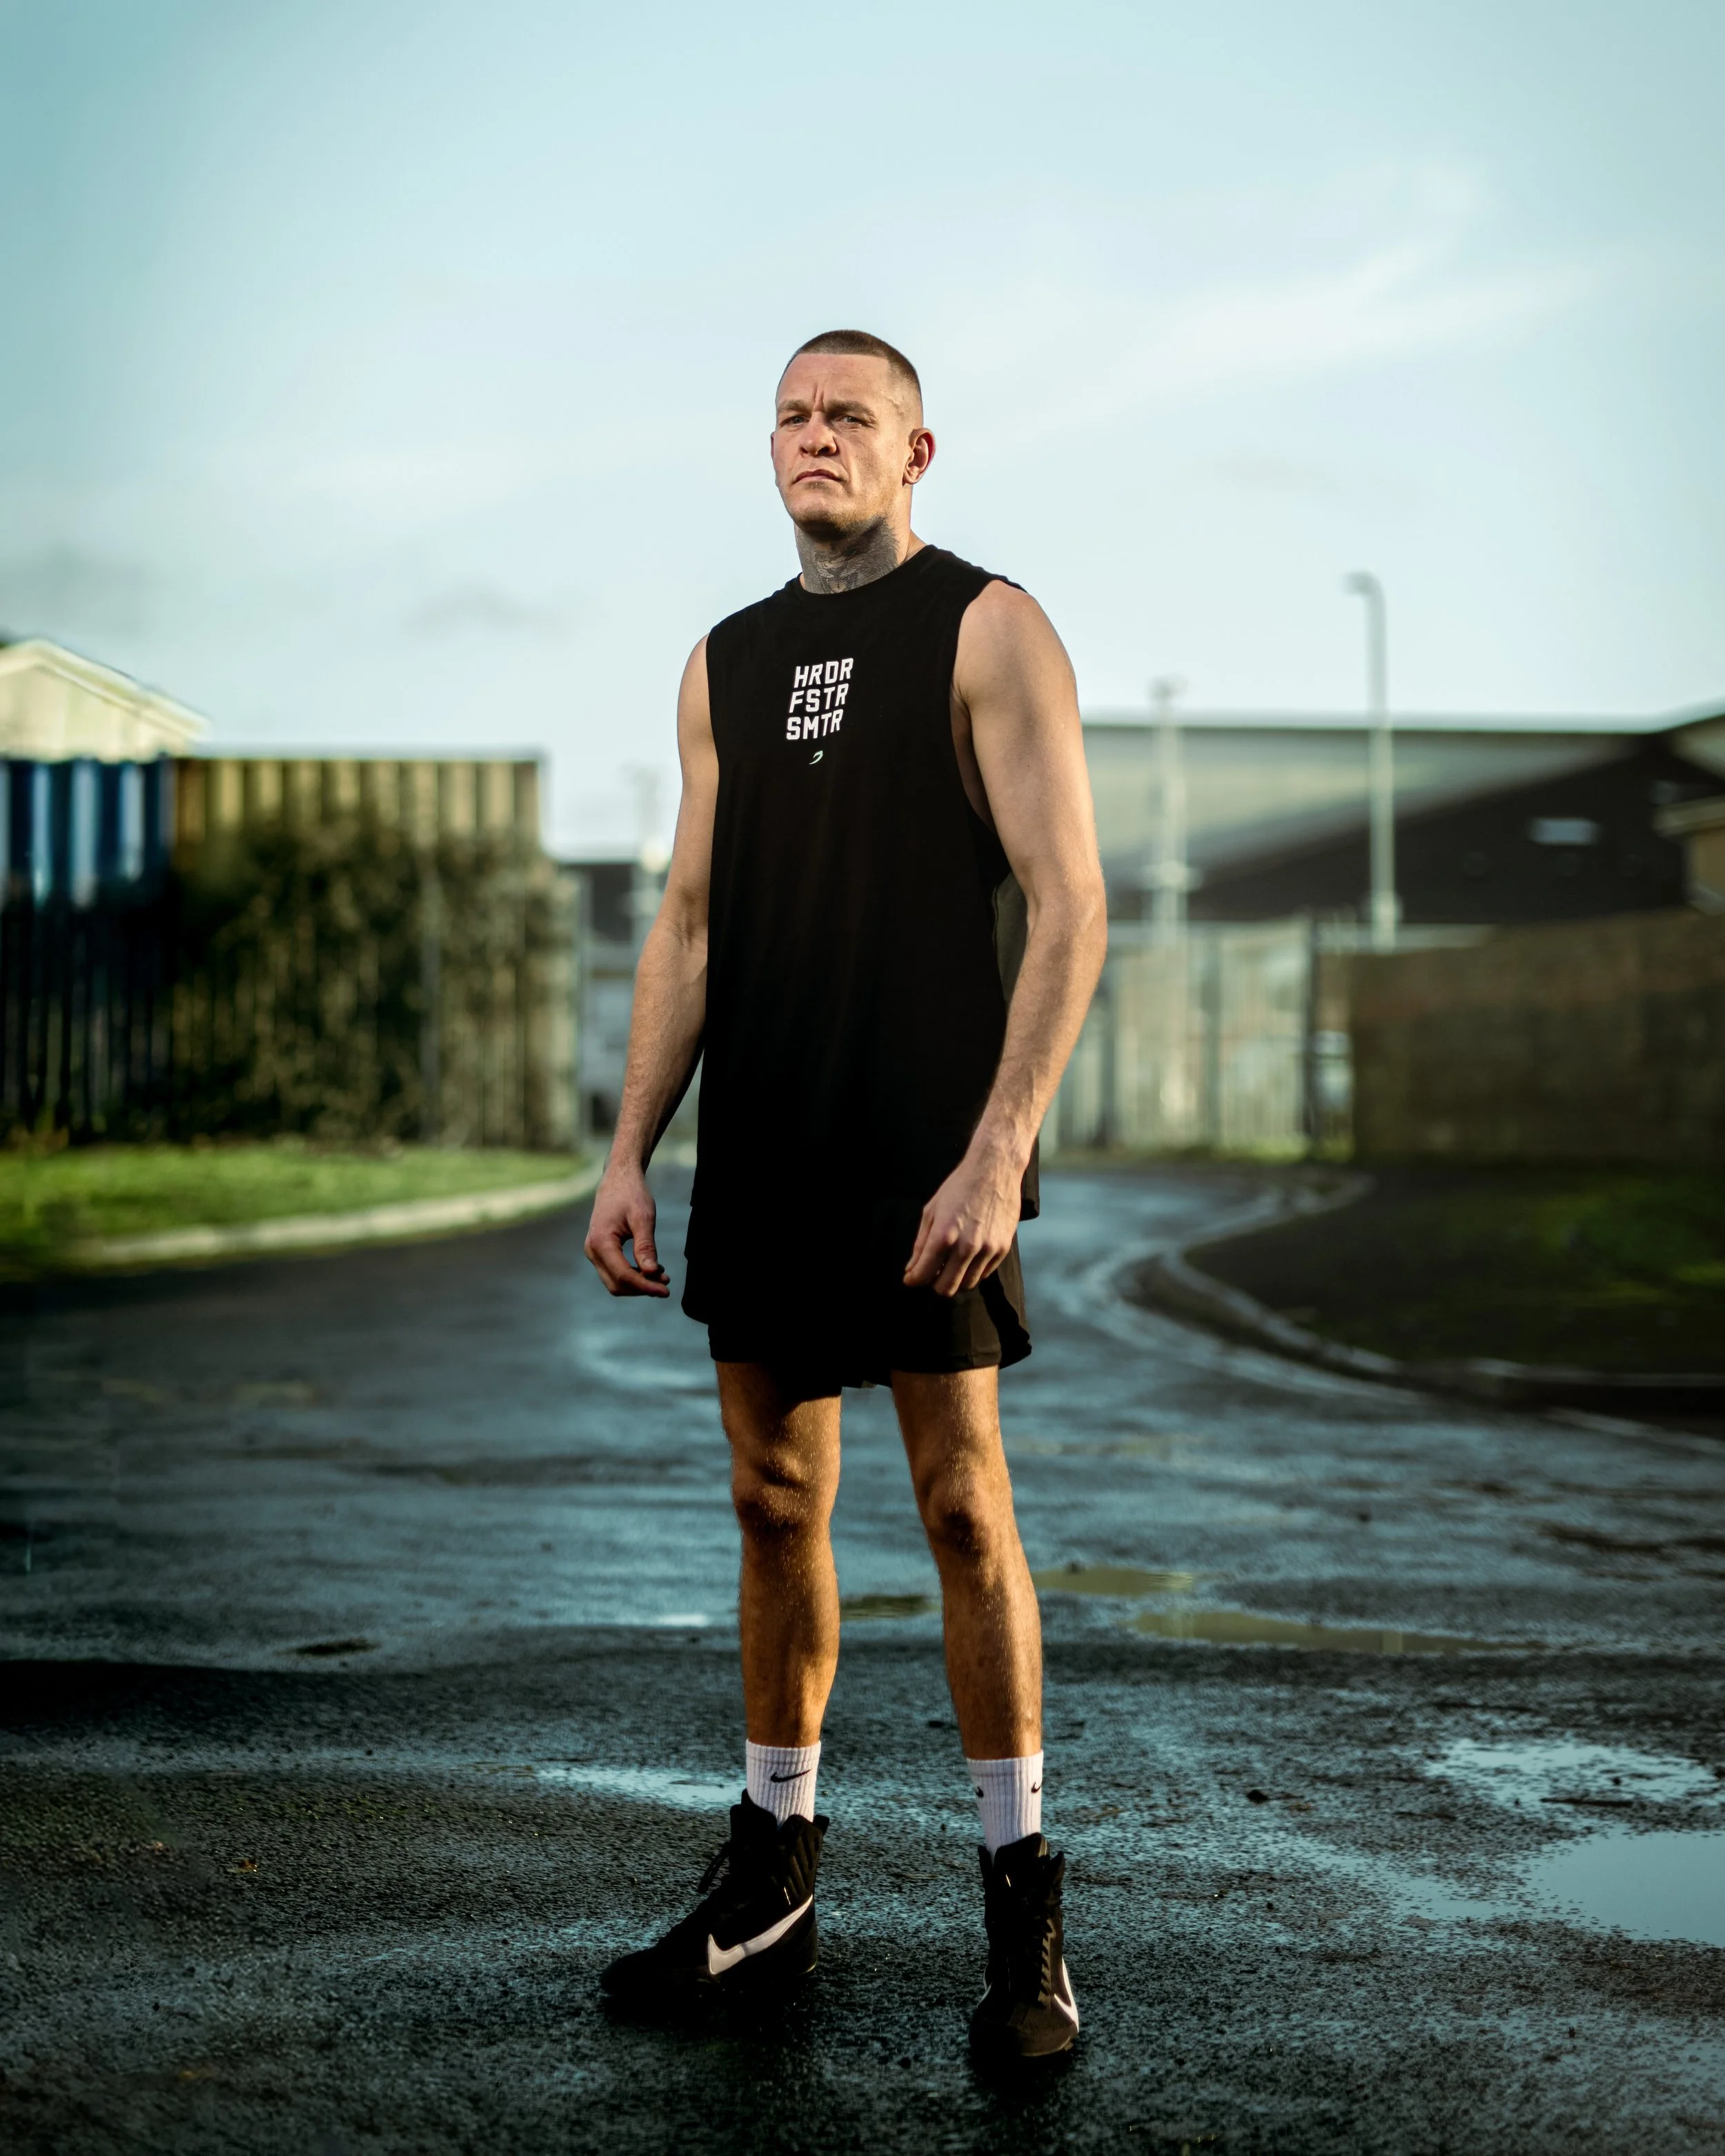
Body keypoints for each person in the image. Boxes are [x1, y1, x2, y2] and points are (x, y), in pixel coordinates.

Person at [584, 328, 1107, 2059]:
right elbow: (691, 926)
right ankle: (772, 1887)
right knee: (768, 1499)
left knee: (962, 1509)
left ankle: (1021, 1922)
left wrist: (998, 1142)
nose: (815, 438)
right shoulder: (721, 662)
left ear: (916, 451)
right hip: (774, 1144)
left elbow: (1068, 897)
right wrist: (628, 1148)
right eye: (792, 416)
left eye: (849, 417)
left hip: (925, 1145)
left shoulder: (985, 625)